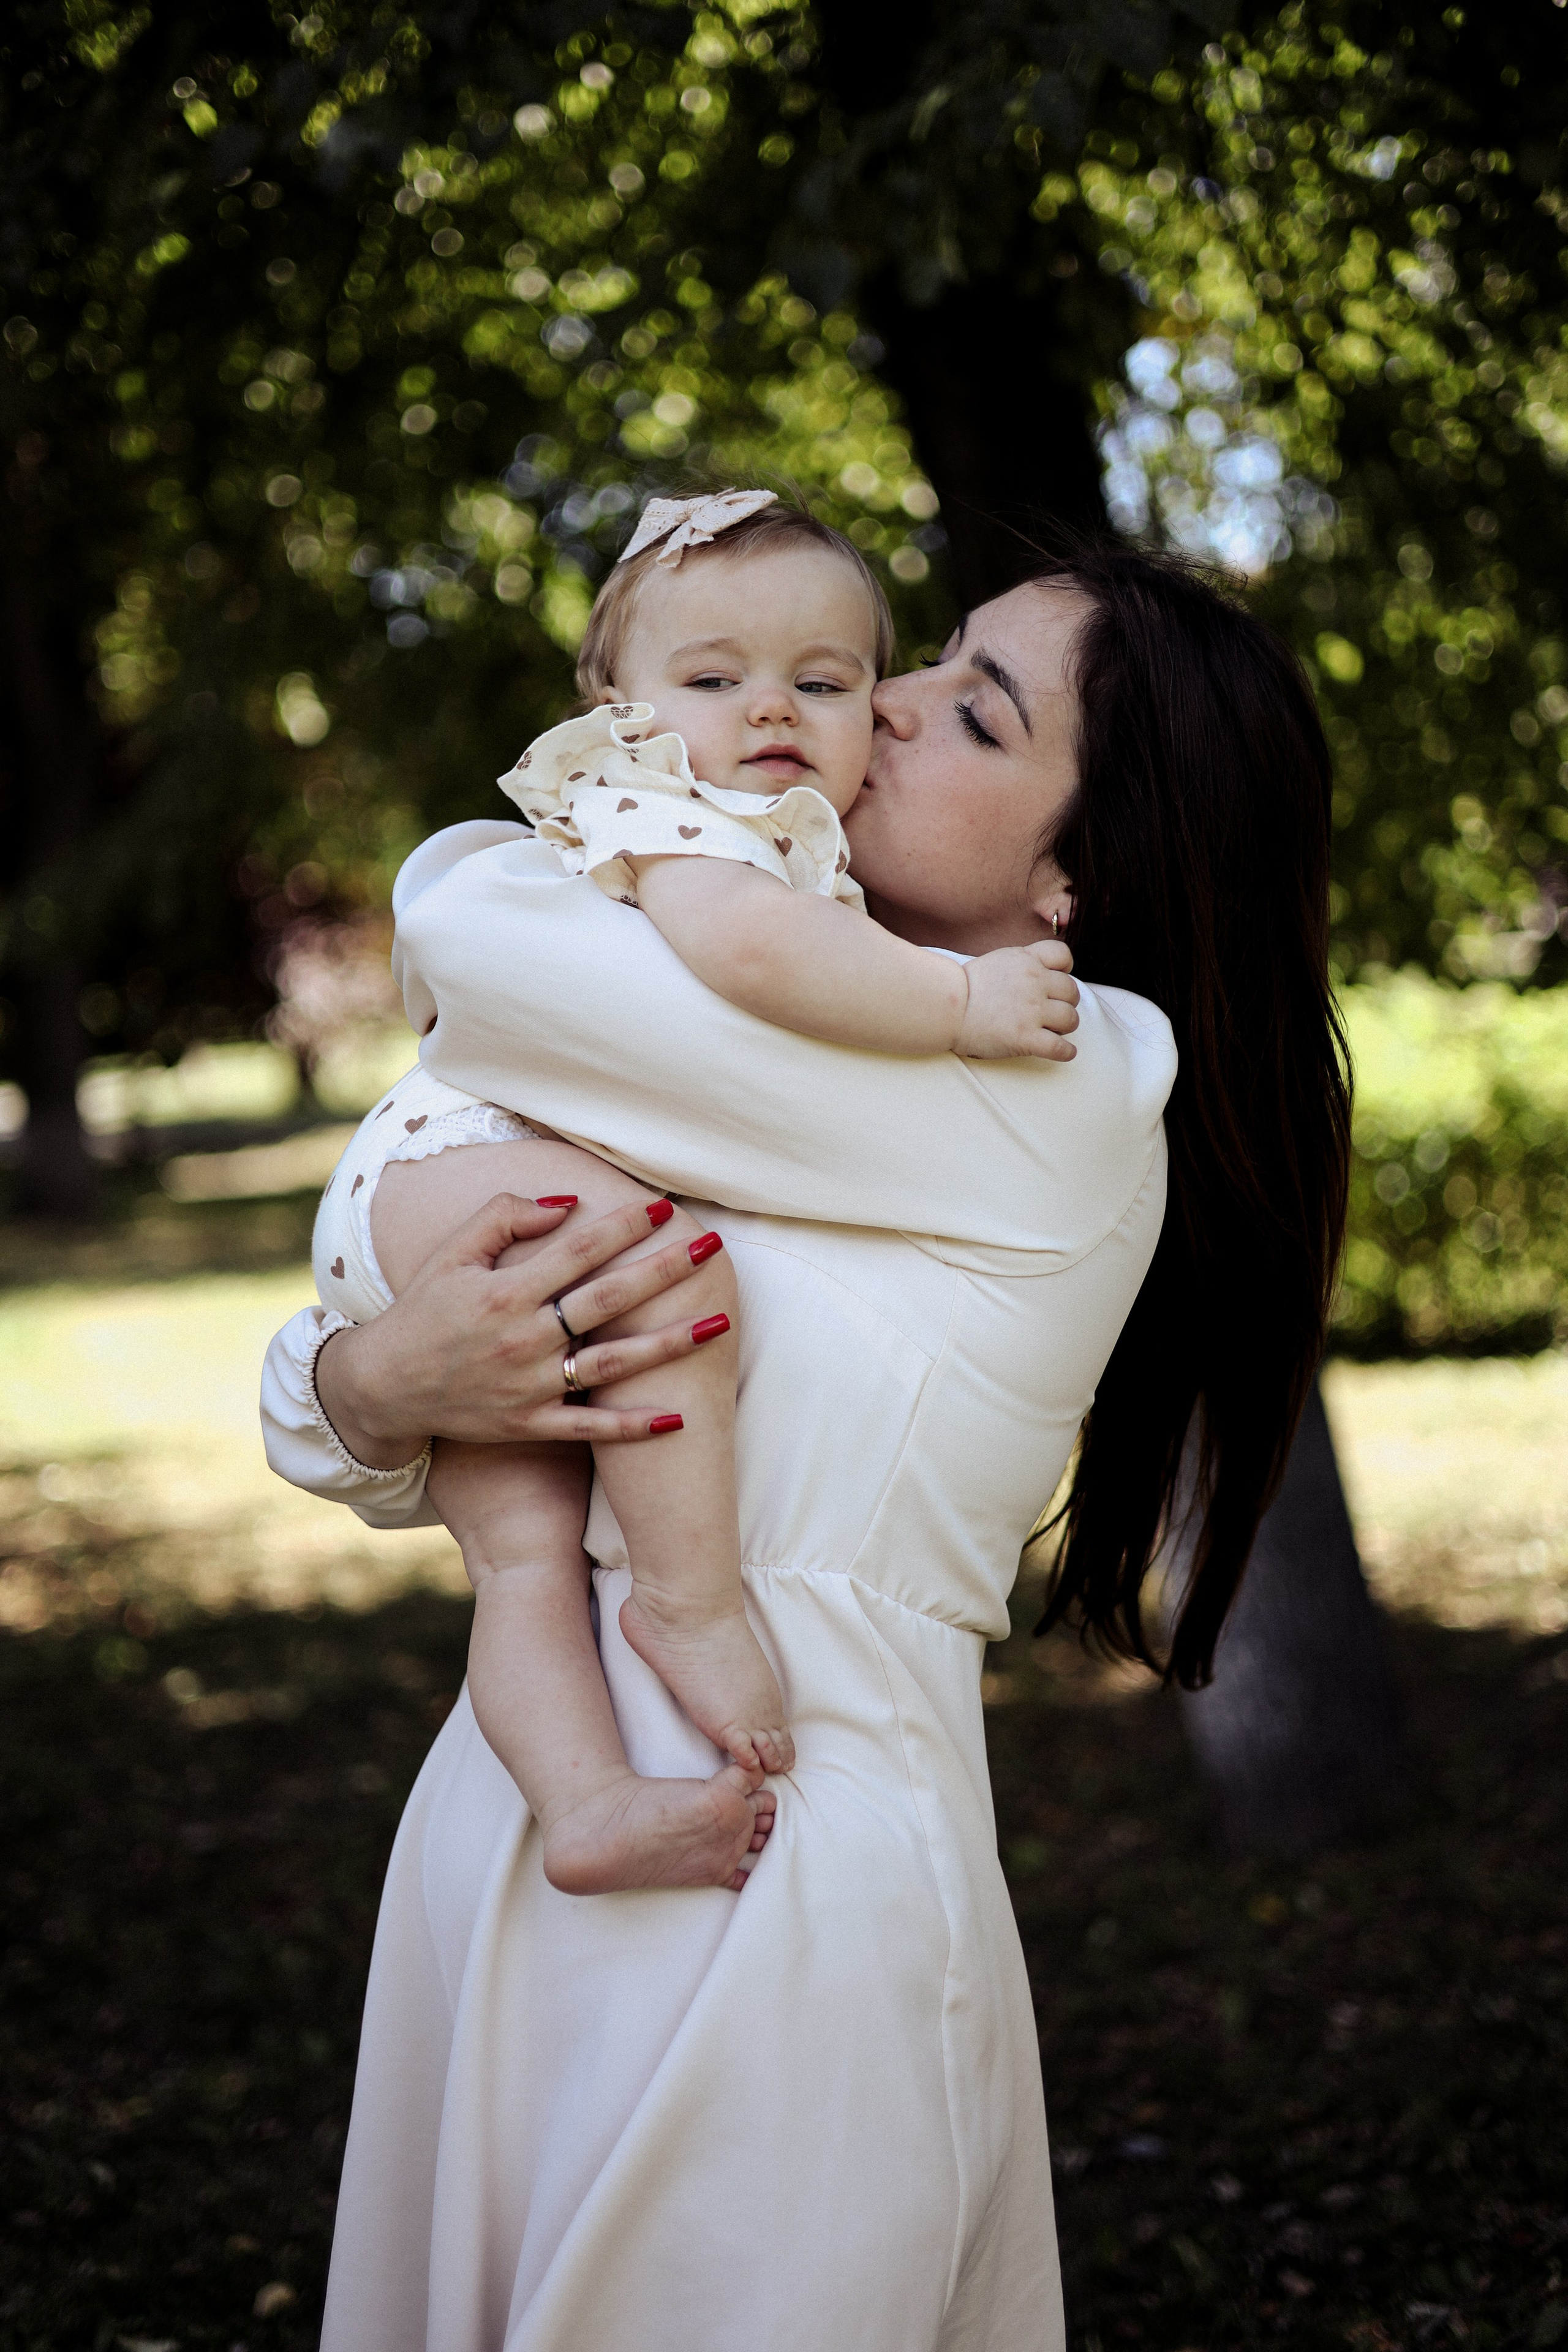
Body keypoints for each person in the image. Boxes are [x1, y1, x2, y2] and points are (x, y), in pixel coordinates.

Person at [262, 533, 1350, 2352]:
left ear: (1081, 873)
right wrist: (375, 1388)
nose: (879, 704)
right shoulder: (775, 1009)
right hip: (529, 1808)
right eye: (929, 657)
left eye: (977, 714)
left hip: (777, 1867)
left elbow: (469, 933)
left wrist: (561, 828)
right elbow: (379, 1375)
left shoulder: (1070, 1084)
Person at [312, 489, 1082, 1896]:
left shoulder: (1072, 1066)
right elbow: (751, 957)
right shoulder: (682, 822)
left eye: (825, 681)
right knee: (671, 1280)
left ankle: (587, 1802)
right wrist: (962, 1001)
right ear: (617, 711)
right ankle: (685, 1603)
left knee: (524, 1557)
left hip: (444, 1201)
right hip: (460, 1154)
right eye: (713, 679)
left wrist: (354, 1386)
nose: (774, 709)